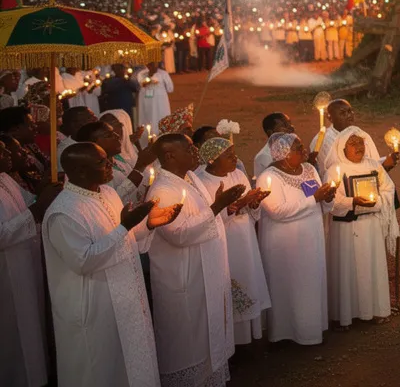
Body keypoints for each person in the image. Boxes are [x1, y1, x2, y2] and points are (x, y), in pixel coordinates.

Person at [44, 141, 181, 386]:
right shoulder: (63, 213)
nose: (110, 165)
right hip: (95, 306)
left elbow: (123, 238)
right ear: (80, 171)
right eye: (102, 162)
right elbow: (84, 261)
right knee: (102, 369)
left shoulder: (106, 192)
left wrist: (149, 223)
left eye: (107, 159)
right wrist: (125, 225)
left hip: (125, 296)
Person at [145, 133, 247, 387]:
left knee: (208, 334)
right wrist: (217, 206)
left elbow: (205, 218)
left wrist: (224, 206)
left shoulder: (189, 177)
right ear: (169, 156)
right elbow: (179, 235)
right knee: (188, 339)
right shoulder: (162, 190)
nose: (196, 152)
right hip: (184, 280)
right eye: (189, 149)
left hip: (207, 272)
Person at [257, 133, 337, 345]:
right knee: (290, 285)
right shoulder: (269, 177)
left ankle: (312, 329)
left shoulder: (309, 170)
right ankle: (287, 333)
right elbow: (277, 211)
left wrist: (327, 199)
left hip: (312, 238)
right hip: (286, 244)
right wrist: (315, 199)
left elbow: (316, 199)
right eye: (298, 148)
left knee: (311, 282)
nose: (304, 151)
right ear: (283, 154)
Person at [195, 137, 272, 345]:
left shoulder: (238, 173)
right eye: (228, 156)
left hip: (243, 236)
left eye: (234, 153)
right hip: (223, 239)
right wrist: (236, 205)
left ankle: (249, 337)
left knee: (247, 275)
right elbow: (206, 217)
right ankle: (230, 343)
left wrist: (254, 202)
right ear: (212, 160)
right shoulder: (200, 180)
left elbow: (250, 208)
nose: (235, 159)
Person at [0, 141, 61, 387]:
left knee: (32, 325)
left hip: (27, 262)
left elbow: (27, 202)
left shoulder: (5, 178)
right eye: (1, 151)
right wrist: (37, 208)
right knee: (14, 331)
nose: (7, 154)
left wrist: (43, 190)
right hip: (7, 273)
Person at [325, 128, 398, 328]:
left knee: (371, 266)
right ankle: (345, 316)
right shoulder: (335, 170)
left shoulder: (375, 166)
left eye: (361, 143)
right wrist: (352, 202)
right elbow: (331, 201)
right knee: (347, 268)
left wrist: (376, 202)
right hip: (347, 230)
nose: (359, 147)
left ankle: (374, 310)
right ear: (343, 148)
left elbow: (389, 189)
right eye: (353, 144)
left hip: (371, 227)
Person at [75, 121, 155, 206]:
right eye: (109, 135)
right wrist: (140, 166)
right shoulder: (96, 170)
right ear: (93, 144)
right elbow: (112, 200)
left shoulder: (118, 160)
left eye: (114, 133)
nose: (117, 136)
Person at [136, 61, 174, 134]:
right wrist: (149, 77)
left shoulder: (163, 74)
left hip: (160, 103)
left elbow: (170, 88)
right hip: (147, 102)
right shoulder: (142, 74)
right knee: (148, 120)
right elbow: (141, 85)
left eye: (154, 63)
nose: (152, 65)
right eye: (150, 64)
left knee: (160, 118)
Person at [253, 112, 294, 177]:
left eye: (290, 123)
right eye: (285, 125)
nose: (291, 128)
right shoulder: (264, 156)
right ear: (271, 133)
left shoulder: (291, 148)